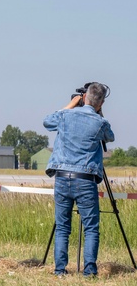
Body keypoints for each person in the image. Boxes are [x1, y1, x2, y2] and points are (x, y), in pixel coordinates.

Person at [43, 82, 114, 277]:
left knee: (63, 227)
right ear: (100, 103)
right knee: (91, 228)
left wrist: (70, 104)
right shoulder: (100, 122)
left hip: (63, 177)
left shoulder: (65, 116)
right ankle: (89, 271)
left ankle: (60, 271)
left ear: (83, 97)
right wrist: (99, 113)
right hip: (86, 180)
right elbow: (110, 137)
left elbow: (47, 121)